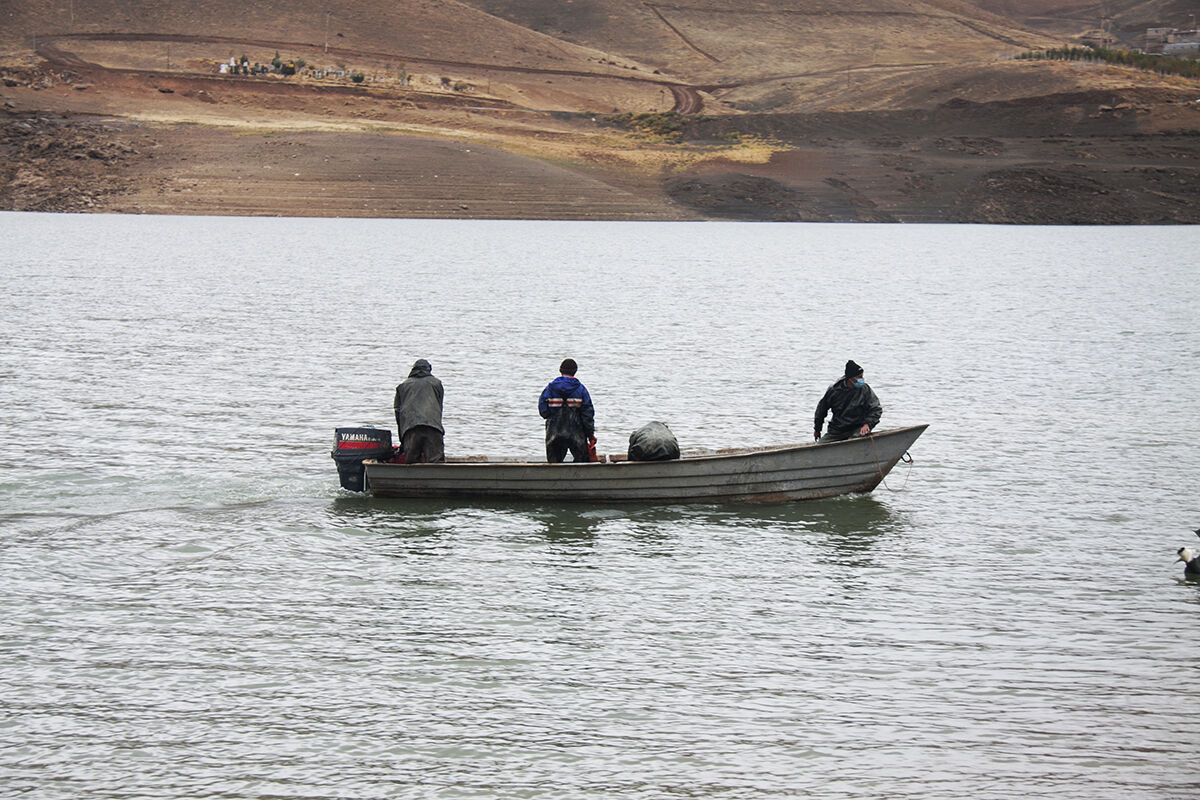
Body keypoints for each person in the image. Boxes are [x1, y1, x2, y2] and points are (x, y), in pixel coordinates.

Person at [538, 358, 595, 463]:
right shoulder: (581, 389)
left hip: (554, 433)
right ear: (575, 371)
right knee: (582, 462)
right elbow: (587, 414)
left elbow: (543, 411)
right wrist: (590, 433)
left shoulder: (549, 389)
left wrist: (552, 414)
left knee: (553, 463)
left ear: (560, 370)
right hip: (576, 433)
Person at [814, 359, 882, 443]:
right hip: (837, 430)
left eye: (862, 376)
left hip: (858, 428)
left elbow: (876, 409)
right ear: (850, 378)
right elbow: (821, 411)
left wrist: (867, 424)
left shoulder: (865, 389)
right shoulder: (834, 391)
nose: (862, 380)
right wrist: (817, 430)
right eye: (859, 377)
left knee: (853, 441)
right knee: (820, 445)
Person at [394, 358, 445, 463]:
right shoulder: (436, 383)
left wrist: (402, 440)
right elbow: (439, 408)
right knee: (437, 463)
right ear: (429, 370)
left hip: (411, 429)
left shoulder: (403, 386)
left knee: (411, 463)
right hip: (433, 428)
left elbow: (398, 413)